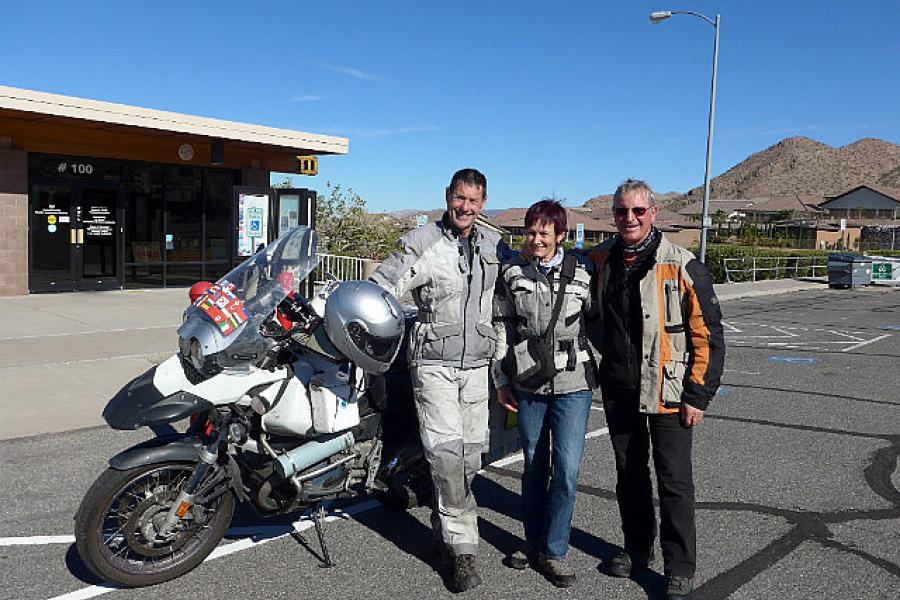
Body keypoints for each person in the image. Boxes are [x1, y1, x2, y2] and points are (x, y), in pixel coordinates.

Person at [370, 168, 509, 593]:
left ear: (482, 203)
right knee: (448, 459)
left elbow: (510, 296)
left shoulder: (495, 245)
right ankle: (462, 550)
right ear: (448, 196)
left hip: (477, 368)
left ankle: (445, 519)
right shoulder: (423, 242)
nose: (465, 206)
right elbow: (383, 284)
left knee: (469, 459)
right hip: (434, 366)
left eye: (473, 200)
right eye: (459, 197)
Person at [585, 179, 725, 600]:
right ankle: (636, 548)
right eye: (621, 212)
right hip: (620, 388)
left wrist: (697, 395)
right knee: (629, 475)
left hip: (668, 391)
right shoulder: (601, 259)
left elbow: (709, 336)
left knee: (675, 482)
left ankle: (679, 566)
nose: (630, 218)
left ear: (653, 214)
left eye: (638, 211)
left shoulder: (681, 265)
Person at [492, 199, 597, 588]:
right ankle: (532, 541)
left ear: (561, 236)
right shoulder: (512, 273)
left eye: (544, 233)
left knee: (567, 471)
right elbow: (501, 327)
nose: (536, 239)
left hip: (573, 384)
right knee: (535, 465)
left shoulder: (584, 272)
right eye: (530, 232)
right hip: (528, 381)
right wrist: (500, 379)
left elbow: (600, 322)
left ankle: (554, 551)